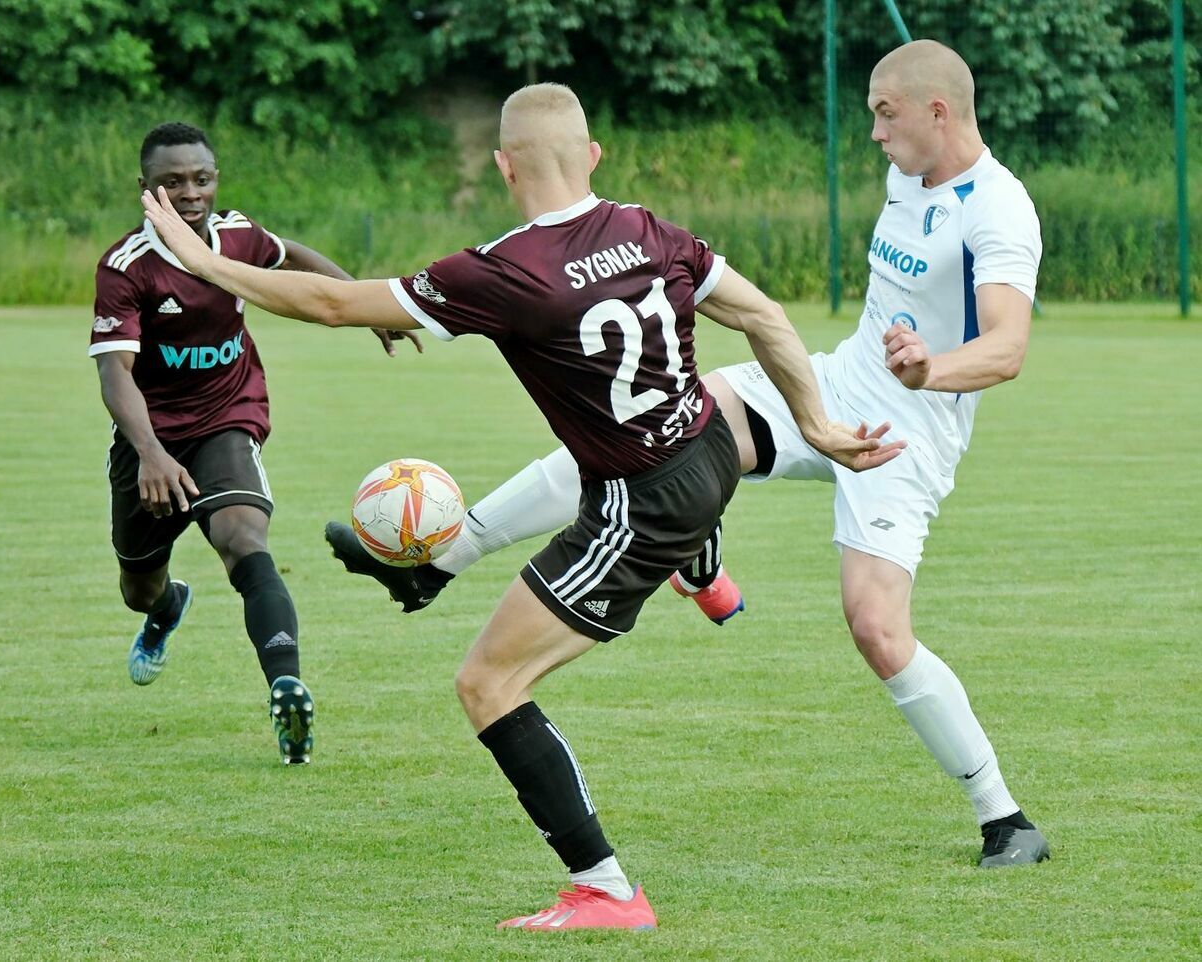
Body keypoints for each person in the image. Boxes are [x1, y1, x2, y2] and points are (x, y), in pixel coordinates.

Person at [140, 85, 902, 928]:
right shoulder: (649, 228)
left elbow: (330, 303)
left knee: (488, 681)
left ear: (505, 166)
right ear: (594, 156)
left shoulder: (504, 270)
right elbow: (760, 313)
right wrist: (817, 425)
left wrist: (203, 259)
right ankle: (689, 563)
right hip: (707, 449)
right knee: (594, 461)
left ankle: (608, 891)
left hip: (641, 506)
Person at [330, 40, 1051, 869]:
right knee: (644, 433)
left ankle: (1005, 818)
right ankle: (434, 565)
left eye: (885, 115)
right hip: (833, 383)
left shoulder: (998, 209)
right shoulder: (906, 176)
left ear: (938, 110)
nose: (876, 136)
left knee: (878, 629)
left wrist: (931, 369)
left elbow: (1007, 348)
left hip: (906, 434)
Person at [90, 121, 421, 765]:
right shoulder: (126, 267)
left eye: (202, 178)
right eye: (173, 181)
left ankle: (286, 689)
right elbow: (114, 374)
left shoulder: (235, 237)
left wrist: (366, 305)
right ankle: (166, 609)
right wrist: (152, 454)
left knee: (243, 539)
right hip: (149, 441)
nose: (191, 193)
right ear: (145, 188)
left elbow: (290, 253)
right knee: (139, 586)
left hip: (227, 418)